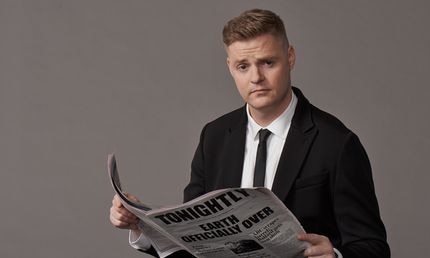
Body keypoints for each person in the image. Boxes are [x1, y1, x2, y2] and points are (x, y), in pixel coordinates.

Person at [109, 9, 390, 258]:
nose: (256, 77)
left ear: (290, 57)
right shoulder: (214, 137)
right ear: (230, 68)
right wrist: (142, 225)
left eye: (268, 62)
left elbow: (373, 247)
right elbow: (193, 243)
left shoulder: (337, 143)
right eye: (243, 66)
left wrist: (336, 256)